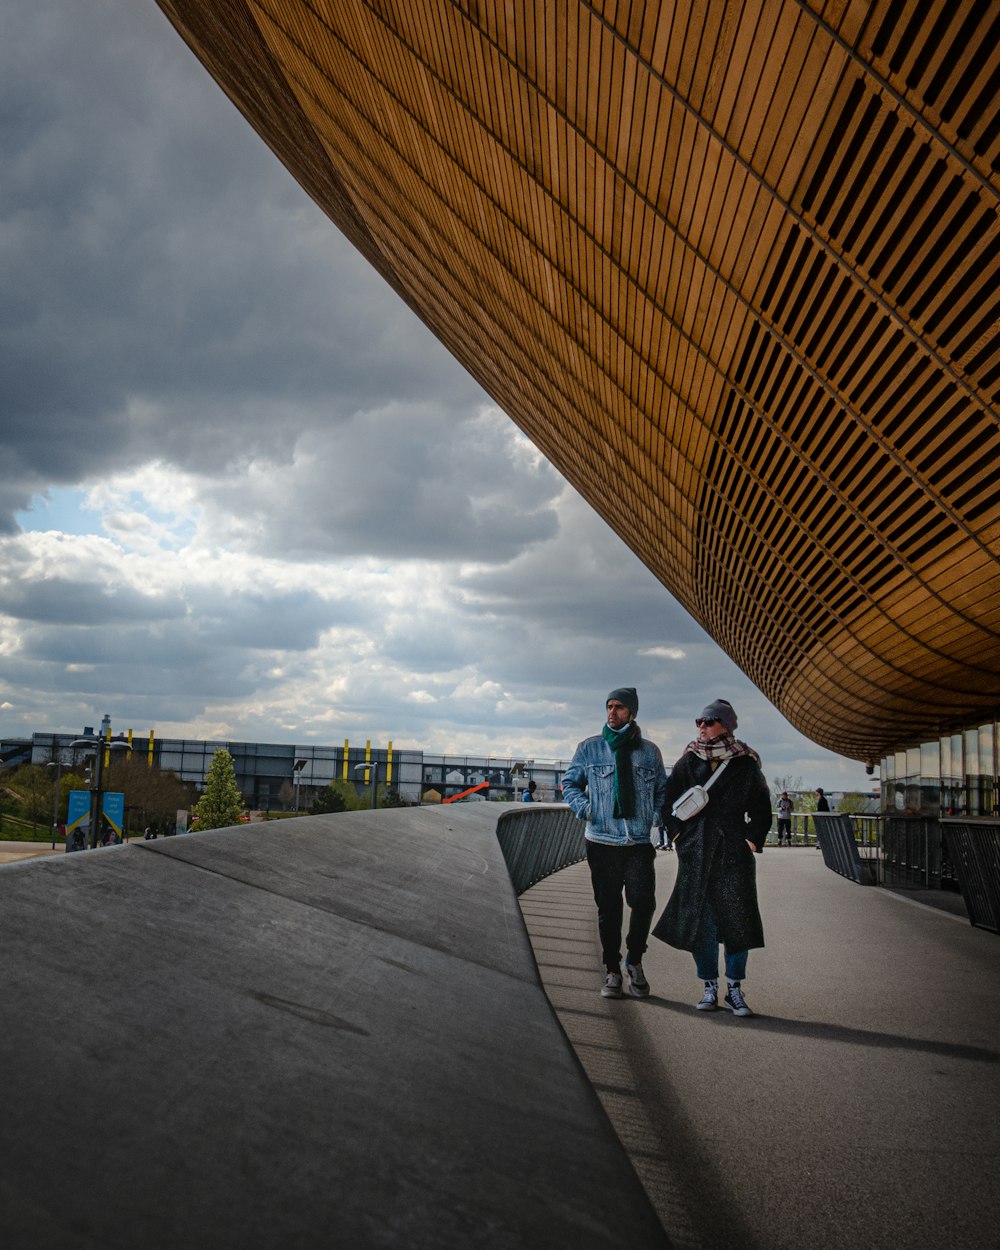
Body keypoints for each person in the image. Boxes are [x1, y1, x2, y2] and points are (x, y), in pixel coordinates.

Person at [652, 698, 771, 1017]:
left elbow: (761, 806)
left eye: (709, 721)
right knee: (700, 922)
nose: (702, 727)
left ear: (727, 725)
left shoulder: (746, 763)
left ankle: (734, 989)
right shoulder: (688, 761)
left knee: (737, 919)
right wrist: (678, 836)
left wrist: (751, 840)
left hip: (734, 851)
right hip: (697, 850)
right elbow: (667, 802)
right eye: (699, 722)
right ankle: (708, 986)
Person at [562, 688, 668, 999]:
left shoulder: (650, 752)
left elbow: (662, 789)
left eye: (619, 707)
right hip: (602, 841)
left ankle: (634, 961)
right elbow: (569, 783)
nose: (612, 712)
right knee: (609, 908)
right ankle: (612, 970)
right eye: (609, 706)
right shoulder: (590, 749)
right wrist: (586, 809)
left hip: (637, 841)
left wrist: (655, 815)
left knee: (643, 903)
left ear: (632, 713)